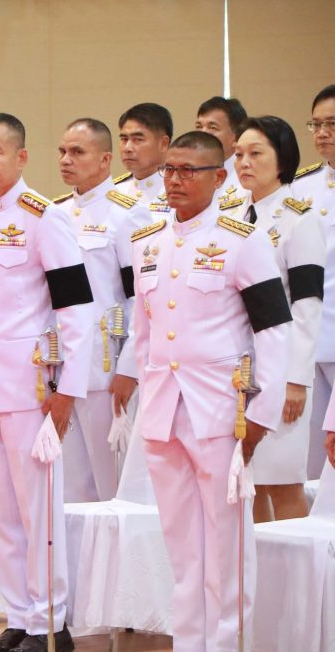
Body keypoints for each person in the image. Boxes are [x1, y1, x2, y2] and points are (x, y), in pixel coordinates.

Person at [132, 131, 291, 651]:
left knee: (226, 544)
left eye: (189, 170)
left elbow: (274, 329)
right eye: (169, 169)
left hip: (222, 411)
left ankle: (227, 644)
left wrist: (262, 412)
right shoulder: (148, 241)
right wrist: (147, 399)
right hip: (164, 409)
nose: (175, 180)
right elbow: (143, 332)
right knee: (182, 547)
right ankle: (189, 642)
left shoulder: (241, 239)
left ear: (219, 178)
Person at [0, 113, 94, 652]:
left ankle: (49, 622)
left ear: (21, 157)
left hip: (30, 386)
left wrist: (68, 389)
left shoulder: (44, 217)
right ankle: (18, 616)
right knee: (0, 508)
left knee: (37, 508)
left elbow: (76, 308)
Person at [53, 118, 152, 501]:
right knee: (71, 487)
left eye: (77, 152)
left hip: (106, 364)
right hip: (62, 363)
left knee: (113, 484)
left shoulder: (127, 214)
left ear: (105, 159)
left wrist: (129, 367)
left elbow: (140, 297)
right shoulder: (56, 212)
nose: (66, 159)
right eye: (62, 151)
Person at [231, 116, 324, 522]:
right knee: (246, 480)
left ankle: (295, 565)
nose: (244, 163)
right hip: (239, 368)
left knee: (283, 481)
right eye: (238, 154)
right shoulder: (232, 216)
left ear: (282, 159)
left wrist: (297, 380)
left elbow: (307, 305)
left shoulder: (299, 219)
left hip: (282, 367)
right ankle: (256, 563)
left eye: (256, 153)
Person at [297, 84, 335, 479]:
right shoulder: (302, 186)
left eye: (332, 124)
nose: (322, 133)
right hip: (308, 337)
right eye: (316, 124)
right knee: (309, 454)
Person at [118, 103, 173, 216]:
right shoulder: (114, 191)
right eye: (124, 139)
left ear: (163, 143)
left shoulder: (180, 191)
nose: (127, 148)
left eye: (138, 139)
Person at [195, 96, 249, 210]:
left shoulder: (248, 175)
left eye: (212, 127)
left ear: (237, 136)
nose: (202, 133)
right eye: (199, 126)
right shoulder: (188, 173)